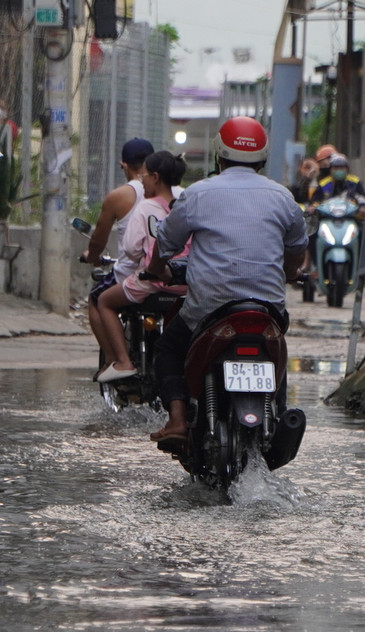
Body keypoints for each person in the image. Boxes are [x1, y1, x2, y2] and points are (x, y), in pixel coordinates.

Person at [145, 117, 309, 445]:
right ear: (262, 158)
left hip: (209, 309)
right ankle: (277, 406)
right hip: (267, 310)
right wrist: (290, 275)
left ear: (219, 155)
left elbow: (164, 245)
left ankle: (177, 420)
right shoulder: (283, 198)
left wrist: (158, 270)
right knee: (277, 343)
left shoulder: (198, 194)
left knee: (167, 347)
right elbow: (296, 250)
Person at [91, 151, 190, 383]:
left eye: (143, 176)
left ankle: (123, 361)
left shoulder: (146, 208)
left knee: (104, 301)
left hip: (153, 282)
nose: (141, 180)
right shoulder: (188, 204)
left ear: (155, 177)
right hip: (185, 285)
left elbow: (131, 249)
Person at [82, 138, 156, 362]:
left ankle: (117, 361)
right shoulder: (172, 193)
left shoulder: (119, 196)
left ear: (124, 165)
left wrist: (92, 257)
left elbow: (98, 240)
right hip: (169, 276)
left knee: (97, 300)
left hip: (132, 275)